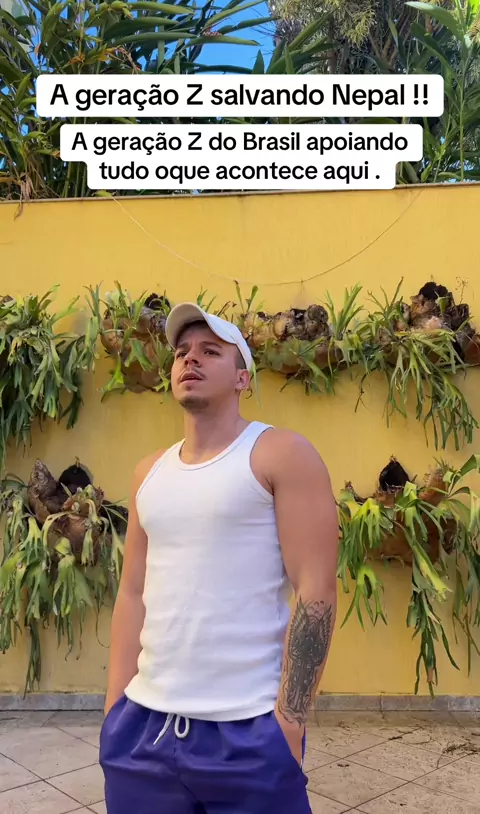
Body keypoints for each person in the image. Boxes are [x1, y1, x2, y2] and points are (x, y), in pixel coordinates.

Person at [99, 302, 339, 814]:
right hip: (143, 729)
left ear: (242, 378)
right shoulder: (148, 473)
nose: (190, 359)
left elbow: (315, 588)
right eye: (181, 352)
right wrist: (114, 709)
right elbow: (133, 591)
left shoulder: (280, 454)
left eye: (211, 351)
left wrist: (289, 723)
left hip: (248, 730)